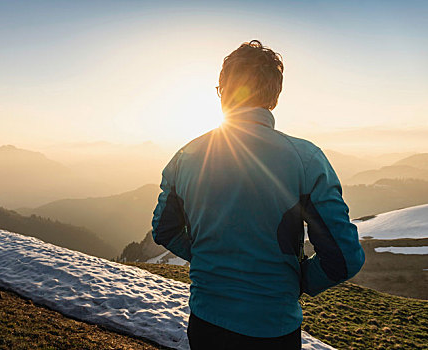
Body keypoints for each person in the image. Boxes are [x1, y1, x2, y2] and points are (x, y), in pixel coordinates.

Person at [151, 40, 365, 349]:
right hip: (273, 327)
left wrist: (208, 259)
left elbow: (164, 230)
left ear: (223, 92)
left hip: (206, 322)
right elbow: (345, 258)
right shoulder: (307, 160)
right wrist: (297, 280)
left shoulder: (184, 157)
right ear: (274, 96)